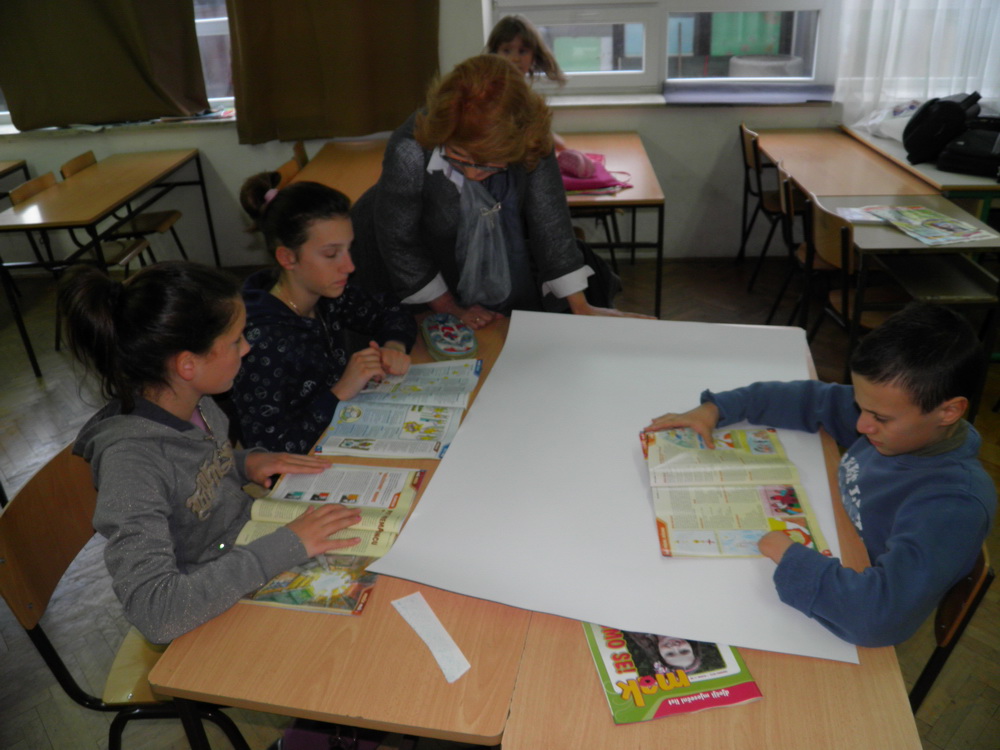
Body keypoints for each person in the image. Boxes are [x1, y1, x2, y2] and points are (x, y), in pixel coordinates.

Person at [646, 303, 996, 647]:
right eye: (860, 407)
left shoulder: (953, 506)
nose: (862, 425)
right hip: (830, 535)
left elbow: (879, 617)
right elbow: (813, 398)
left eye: (879, 417)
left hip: (843, 592)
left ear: (948, 412)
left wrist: (792, 558)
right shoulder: (899, 421)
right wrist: (718, 407)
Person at [61, 261, 363, 644]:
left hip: (244, 550)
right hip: (201, 607)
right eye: (236, 341)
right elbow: (156, 611)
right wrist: (286, 546)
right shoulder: (130, 464)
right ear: (188, 364)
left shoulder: (196, 400)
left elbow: (190, 473)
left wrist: (244, 462)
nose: (248, 347)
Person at [350, 54, 639, 332]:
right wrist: (449, 307)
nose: (473, 174)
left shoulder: (530, 137)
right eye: (459, 157)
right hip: (399, 259)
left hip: (470, 257)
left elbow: (550, 222)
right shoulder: (410, 148)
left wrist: (581, 306)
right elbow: (398, 239)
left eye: (488, 164)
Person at [234, 177, 417, 454]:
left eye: (348, 249)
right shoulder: (260, 342)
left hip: (341, 434)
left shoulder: (326, 295)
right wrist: (340, 392)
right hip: (301, 464)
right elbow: (269, 450)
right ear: (287, 258)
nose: (349, 266)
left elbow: (391, 309)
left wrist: (394, 346)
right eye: (331, 254)